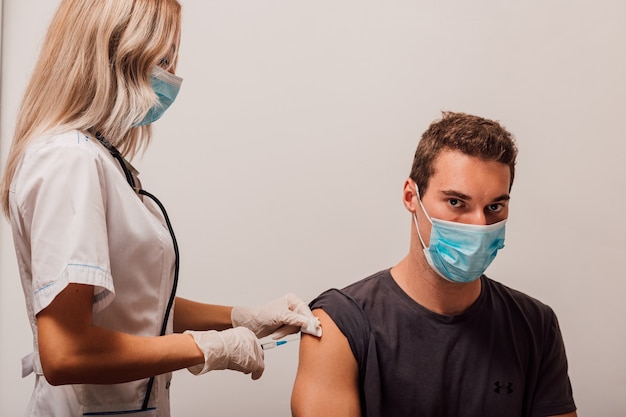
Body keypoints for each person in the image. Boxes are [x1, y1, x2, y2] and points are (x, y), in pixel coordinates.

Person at [0, 1, 320, 416]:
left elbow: (137, 305)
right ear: (118, 50)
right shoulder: (69, 160)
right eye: (164, 57)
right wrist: (204, 348)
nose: (172, 74)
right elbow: (65, 353)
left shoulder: (98, 160)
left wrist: (242, 318)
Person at [291, 112, 577, 417]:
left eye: (495, 206)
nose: (479, 225)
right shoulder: (340, 326)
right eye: (456, 202)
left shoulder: (534, 325)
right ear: (411, 196)